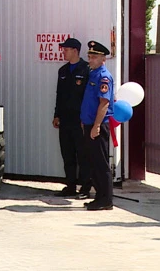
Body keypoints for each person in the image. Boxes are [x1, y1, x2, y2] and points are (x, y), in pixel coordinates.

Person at [52, 37, 91, 199]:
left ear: (75, 51)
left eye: (66, 49)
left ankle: (85, 188)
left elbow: (89, 97)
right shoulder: (63, 71)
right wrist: (56, 115)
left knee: (83, 154)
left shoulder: (86, 69)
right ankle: (71, 185)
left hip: (80, 120)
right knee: (67, 154)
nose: (63, 52)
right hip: (65, 119)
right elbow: (59, 95)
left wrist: (86, 118)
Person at [79, 40, 114, 211]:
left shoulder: (103, 76)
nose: (91, 59)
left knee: (101, 163)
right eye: (90, 56)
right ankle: (99, 196)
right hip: (88, 123)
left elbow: (104, 103)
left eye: (94, 57)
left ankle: (106, 199)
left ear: (103, 59)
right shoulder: (92, 74)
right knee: (93, 162)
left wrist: (97, 125)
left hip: (97, 125)